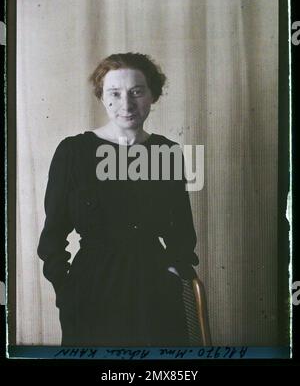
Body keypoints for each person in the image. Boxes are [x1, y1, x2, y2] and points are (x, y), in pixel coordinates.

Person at [37, 52, 199, 347]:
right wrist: (67, 288)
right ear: (102, 97)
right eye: (115, 93)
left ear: (153, 95)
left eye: (137, 92)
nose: (126, 104)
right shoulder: (73, 152)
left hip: (155, 291)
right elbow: (52, 237)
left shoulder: (168, 153)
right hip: (91, 290)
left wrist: (174, 272)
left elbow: (182, 232)